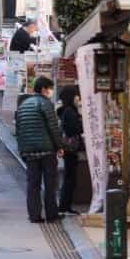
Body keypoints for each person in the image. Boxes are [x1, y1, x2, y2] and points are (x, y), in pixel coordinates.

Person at [15, 76, 64, 223]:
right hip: (46, 151)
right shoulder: (45, 104)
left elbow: (19, 131)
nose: (50, 92)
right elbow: (53, 128)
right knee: (50, 184)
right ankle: (51, 214)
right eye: (50, 89)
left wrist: (23, 151)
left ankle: (34, 215)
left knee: (33, 184)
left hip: (29, 152)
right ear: (44, 89)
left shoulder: (23, 105)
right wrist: (60, 146)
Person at [57, 85, 84, 215]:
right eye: (76, 95)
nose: (78, 98)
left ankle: (65, 206)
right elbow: (75, 128)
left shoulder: (64, 110)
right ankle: (64, 206)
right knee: (70, 178)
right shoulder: (70, 111)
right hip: (71, 148)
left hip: (68, 148)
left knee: (69, 177)